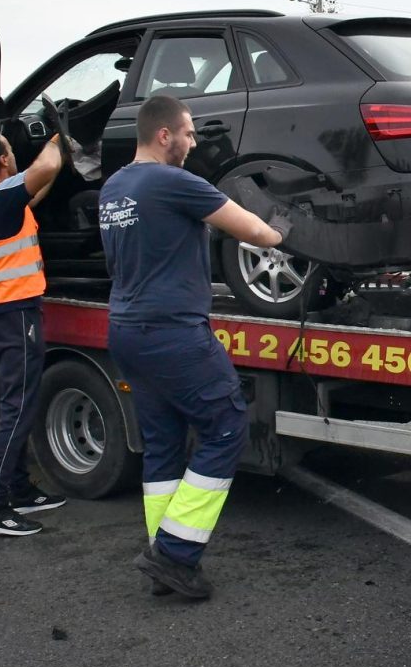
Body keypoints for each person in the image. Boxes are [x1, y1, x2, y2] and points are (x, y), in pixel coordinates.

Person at [100, 95, 290, 600]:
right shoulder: (174, 182)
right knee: (226, 424)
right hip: (173, 333)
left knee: (162, 443)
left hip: (126, 330)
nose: (193, 142)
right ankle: (175, 554)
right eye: (188, 133)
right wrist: (282, 229)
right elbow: (253, 230)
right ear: (164, 135)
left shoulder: (114, 188)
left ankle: (163, 555)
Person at [0, 131, 68, 536]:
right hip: (12, 314)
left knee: (17, 405)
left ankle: (20, 488)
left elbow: (37, 187)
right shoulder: (1, 195)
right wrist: (58, 140)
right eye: (10, 149)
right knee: (18, 409)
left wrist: (53, 168)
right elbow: (45, 167)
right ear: (5, 161)